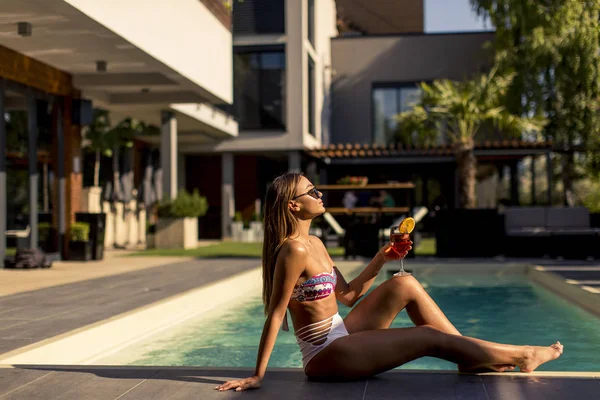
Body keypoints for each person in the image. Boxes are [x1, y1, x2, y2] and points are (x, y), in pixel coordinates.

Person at [215, 172, 563, 392]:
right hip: (324, 355)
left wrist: (382, 259)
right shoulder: (292, 251)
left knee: (405, 284)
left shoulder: (317, 244)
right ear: (293, 206)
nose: (320, 195)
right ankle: (523, 354)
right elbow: (276, 314)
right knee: (428, 337)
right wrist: (257, 376)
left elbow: (348, 295)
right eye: (312, 191)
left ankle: (469, 355)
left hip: (341, 334)